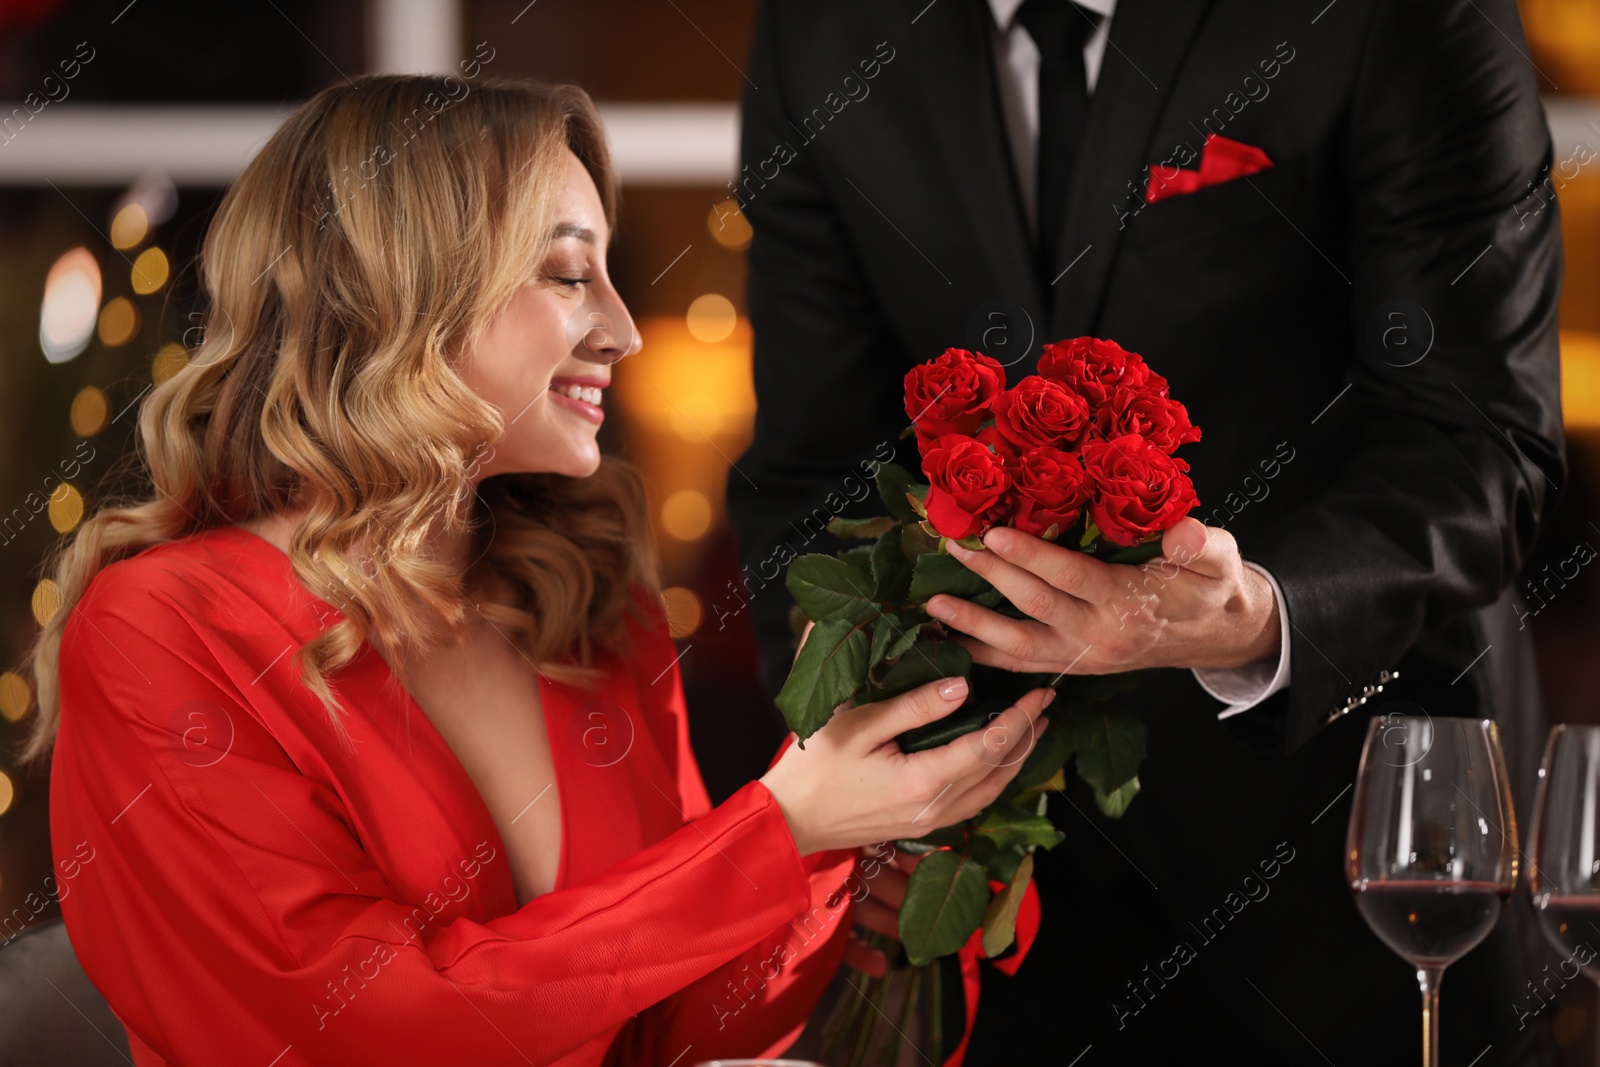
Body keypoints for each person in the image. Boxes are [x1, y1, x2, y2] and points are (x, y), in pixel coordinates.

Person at [21, 74, 1053, 1066]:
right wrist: (779, 830)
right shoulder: (161, 628)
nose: (622, 327)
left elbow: (668, 1033)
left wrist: (833, 850)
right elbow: (377, 1031)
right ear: (399, 293)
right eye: (568, 275)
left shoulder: (588, 602)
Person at [728, 0, 1565, 1062]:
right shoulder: (821, 30)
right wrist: (848, 786)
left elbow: (1480, 438)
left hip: (1350, 866)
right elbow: (812, 467)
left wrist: (1257, 612)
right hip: (985, 906)